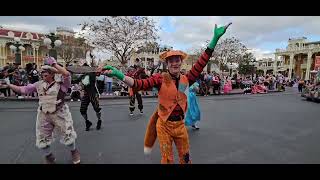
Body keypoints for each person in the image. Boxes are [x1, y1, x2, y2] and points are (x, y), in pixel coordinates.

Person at [101, 22, 231, 164]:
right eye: (171, 61)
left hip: (180, 126)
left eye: (177, 60)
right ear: (167, 64)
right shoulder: (160, 78)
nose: (175, 63)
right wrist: (119, 75)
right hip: (164, 126)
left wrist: (214, 40)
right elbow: (139, 84)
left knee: (186, 158)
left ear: (181, 62)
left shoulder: (186, 79)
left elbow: (201, 63)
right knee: (167, 160)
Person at [0, 57, 80, 164]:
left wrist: (54, 64)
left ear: (52, 74)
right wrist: (9, 85)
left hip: (60, 113)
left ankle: (74, 151)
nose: (43, 74)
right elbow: (23, 89)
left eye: (46, 72)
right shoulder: (38, 84)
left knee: (67, 134)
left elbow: (67, 74)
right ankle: (48, 156)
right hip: (44, 114)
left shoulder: (61, 84)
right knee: (42, 138)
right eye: (42, 73)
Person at [76, 63, 102, 131]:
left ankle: (99, 120)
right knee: (82, 110)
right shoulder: (83, 76)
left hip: (93, 94)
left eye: (84, 68)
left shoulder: (92, 74)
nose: (83, 69)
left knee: (97, 108)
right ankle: (87, 122)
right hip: (86, 94)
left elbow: (98, 74)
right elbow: (75, 81)